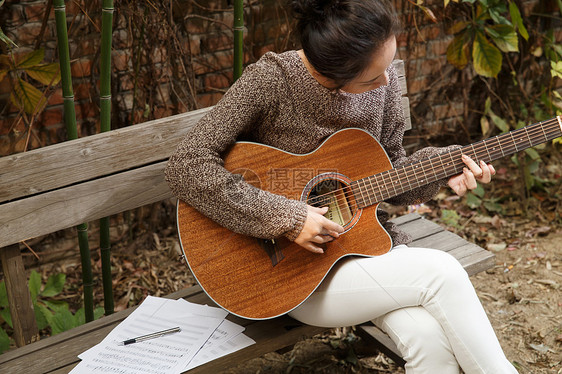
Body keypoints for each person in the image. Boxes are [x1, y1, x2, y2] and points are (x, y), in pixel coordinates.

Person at [165, 0, 517, 372]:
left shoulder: (383, 78)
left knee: (427, 339)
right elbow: (186, 165)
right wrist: (288, 218)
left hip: (363, 248)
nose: (386, 82)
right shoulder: (272, 80)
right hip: (289, 273)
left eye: (389, 66)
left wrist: (444, 168)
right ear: (331, 72)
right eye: (371, 79)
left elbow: (391, 173)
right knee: (442, 272)